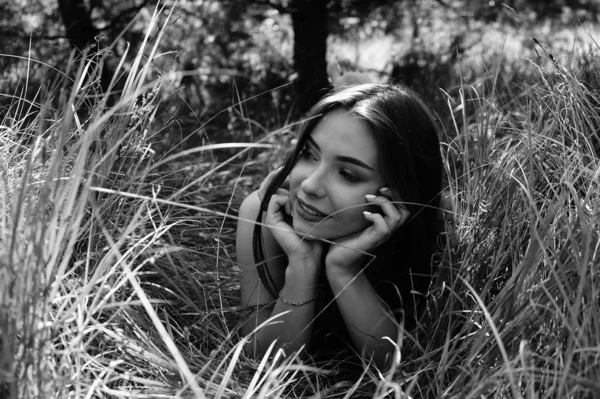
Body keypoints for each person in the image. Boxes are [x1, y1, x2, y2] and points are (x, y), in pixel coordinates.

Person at [236, 83, 443, 371]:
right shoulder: (261, 215)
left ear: (395, 195)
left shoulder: (434, 231)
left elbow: (400, 368)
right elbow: (261, 360)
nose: (309, 185)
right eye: (309, 154)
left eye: (347, 174)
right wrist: (302, 264)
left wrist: (343, 270)